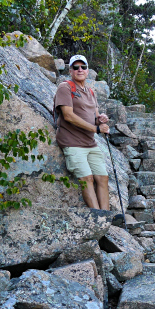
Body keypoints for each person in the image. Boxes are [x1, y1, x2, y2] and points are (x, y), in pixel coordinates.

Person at [54, 54, 113, 211]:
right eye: (76, 67)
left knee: (102, 178)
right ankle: (98, 219)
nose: (80, 69)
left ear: (87, 70)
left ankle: (105, 216)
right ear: (70, 70)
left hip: (90, 143)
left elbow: (95, 117)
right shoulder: (65, 87)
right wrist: (96, 129)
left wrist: (101, 119)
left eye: (83, 67)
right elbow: (68, 116)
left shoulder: (90, 92)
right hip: (72, 142)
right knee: (86, 178)